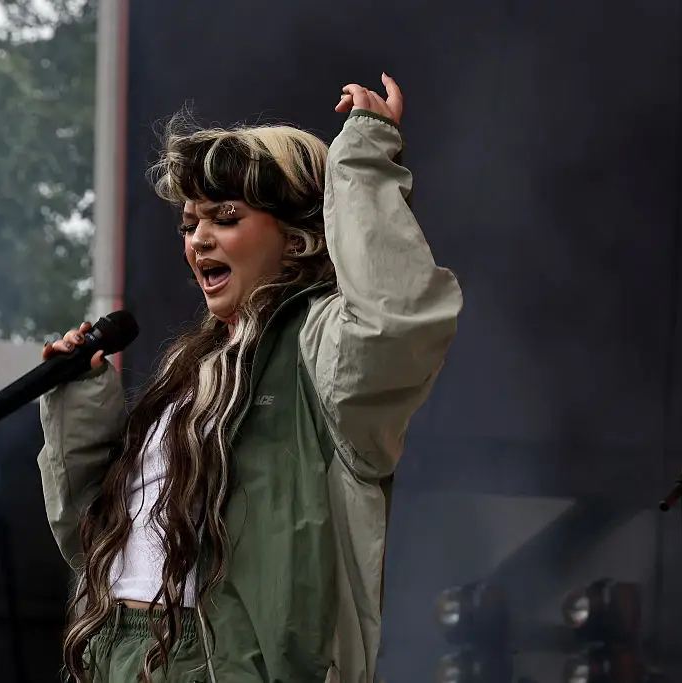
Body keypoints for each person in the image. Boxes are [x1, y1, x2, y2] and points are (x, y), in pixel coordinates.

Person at [37, 75, 463, 683]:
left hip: (220, 663)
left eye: (226, 217)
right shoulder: (192, 371)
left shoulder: (319, 346)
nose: (199, 239)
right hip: (118, 651)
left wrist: (365, 157)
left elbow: (395, 319)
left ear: (297, 237)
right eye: (190, 224)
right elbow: (90, 537)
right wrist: (79, 400)